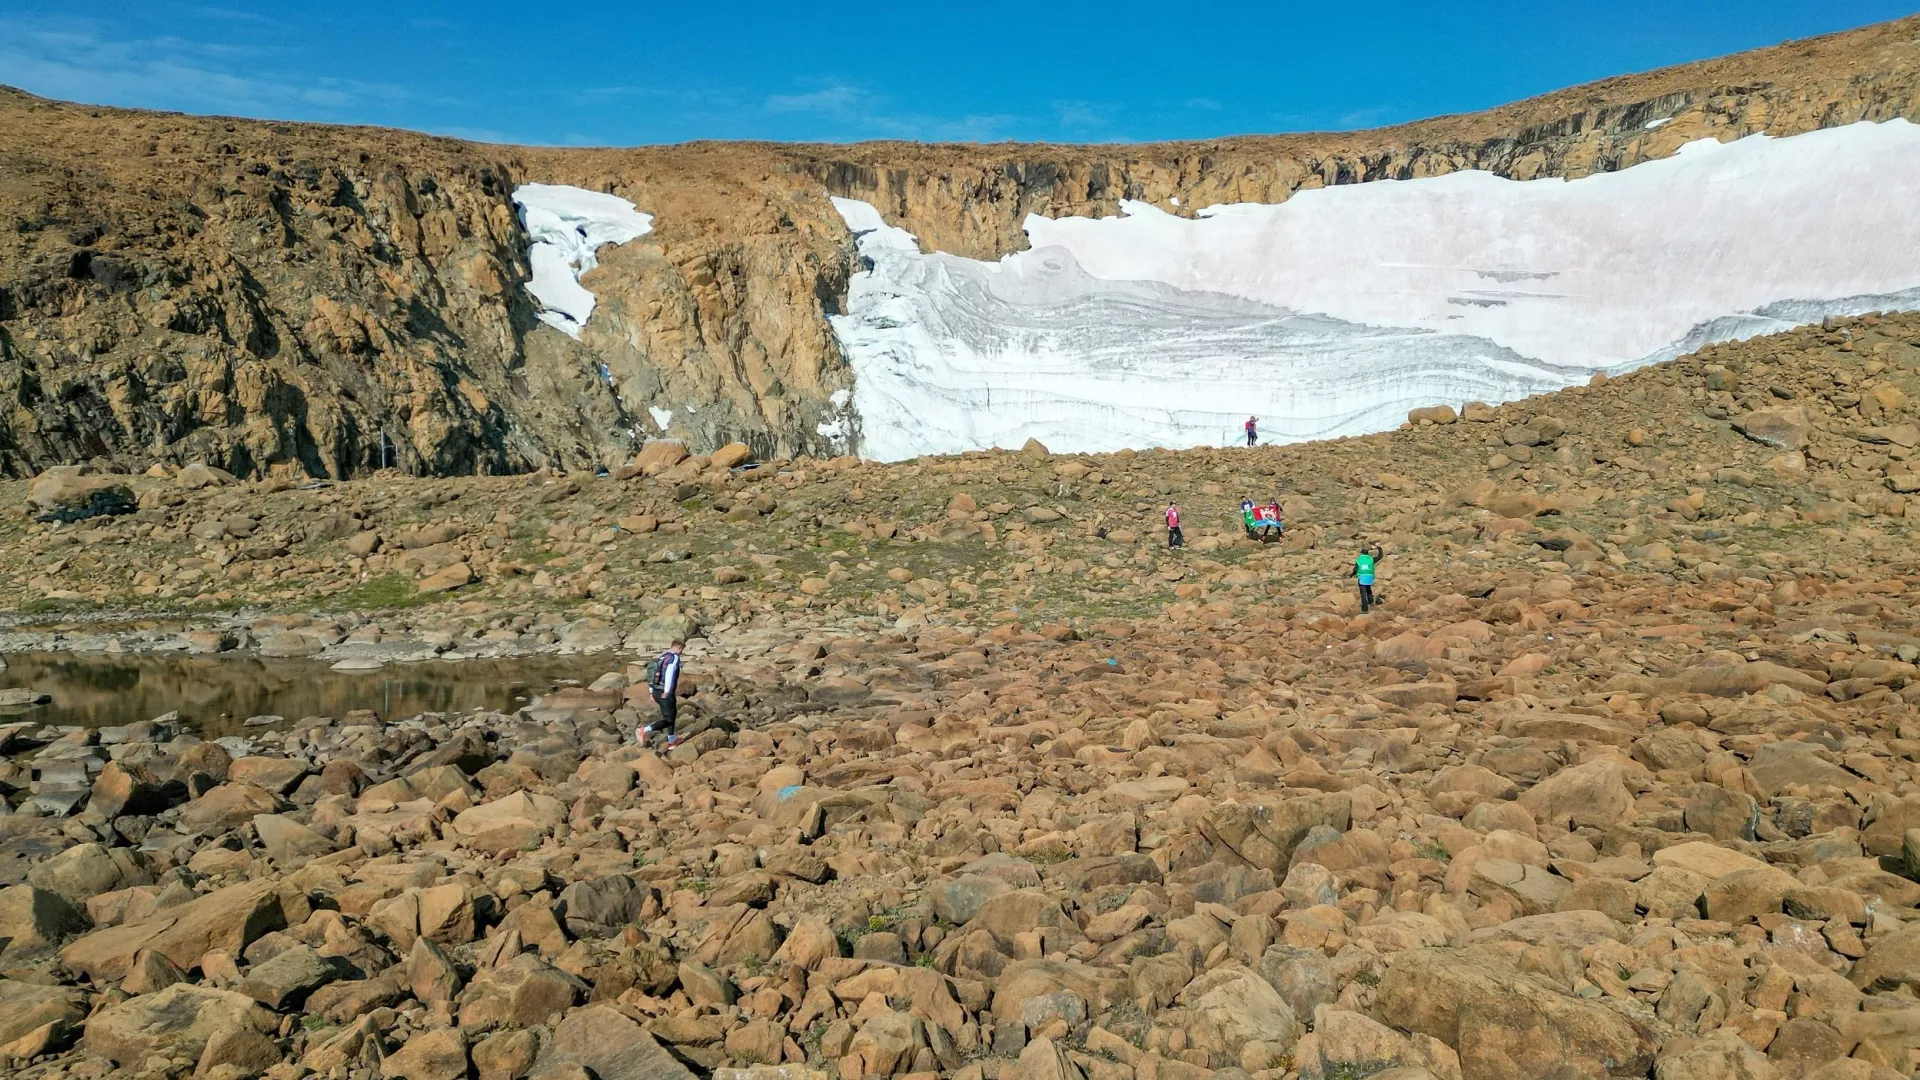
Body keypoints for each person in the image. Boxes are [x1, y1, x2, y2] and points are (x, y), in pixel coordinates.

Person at [638, 639, 685, 748]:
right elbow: (669, 673)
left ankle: (672, 740)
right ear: (679, 648)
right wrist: (667, 691)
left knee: (671, 714)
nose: (681, 652)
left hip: (655, 691)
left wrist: (651, 692)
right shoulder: (674, 658)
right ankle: (644, 730)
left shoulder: (662, 656)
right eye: (682, 650)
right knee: (668, 719)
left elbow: (652, 674)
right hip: (665, 692)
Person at [1345, 543, 1385, 613]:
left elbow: (1355, 570)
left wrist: (1351, 575)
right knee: (1368, 588)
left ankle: (1365, 609)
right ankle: (1371, 601)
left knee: (1363, 593)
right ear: (1367, 554)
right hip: (1370, 578)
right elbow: (1380, 556)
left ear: (1361, 554)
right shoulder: (1371, 559)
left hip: (1362, 578)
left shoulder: (1359, 560)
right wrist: (1379, 547)